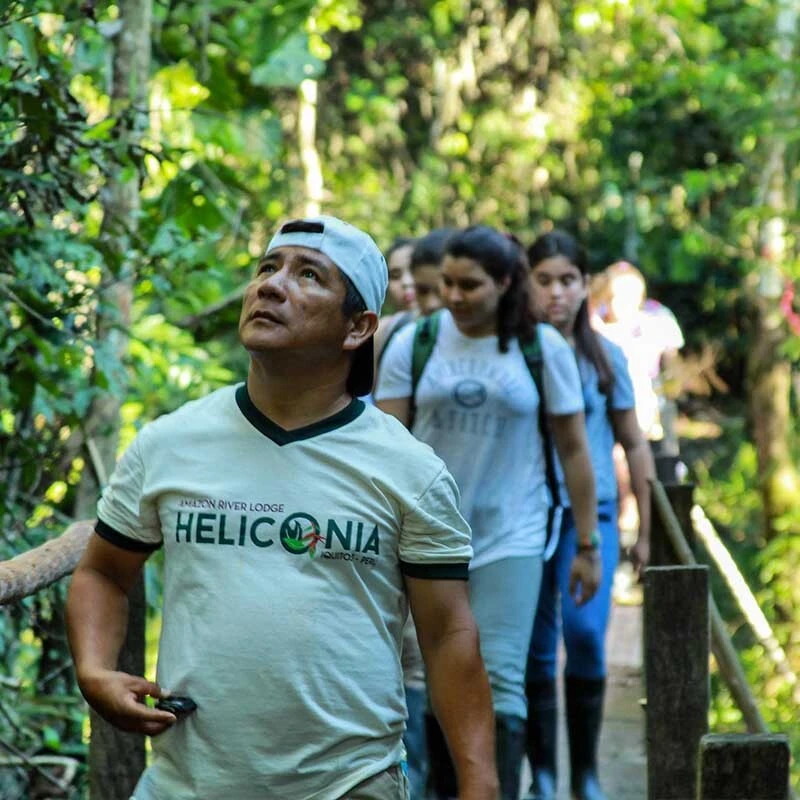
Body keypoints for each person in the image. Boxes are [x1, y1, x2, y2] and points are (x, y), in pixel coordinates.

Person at [65, 215, 500, 800]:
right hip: (185, 784)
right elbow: (102, 572)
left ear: (358, 327)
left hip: (349, 784)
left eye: (309, 275)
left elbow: (449, 634)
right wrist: (94, 671)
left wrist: (480, 784)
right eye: (267, 268)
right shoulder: (170, 443)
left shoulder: (409, 469)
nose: (271, 285)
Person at [375, 224, 601, 800]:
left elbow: (574, 449)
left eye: (469, 285)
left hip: (514, 535)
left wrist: (587, 544)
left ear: (504, 283)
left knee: (500, 677)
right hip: (428, 536)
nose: (453, 295)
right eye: (446, 282)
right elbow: (388, 443)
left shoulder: (542, 348)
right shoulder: (416, 342)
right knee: (430, 674)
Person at [525, 231, 655, 800]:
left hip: (592, 518)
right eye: (544, 280)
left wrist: (645, 530)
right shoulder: (515, 355)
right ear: (526, 284)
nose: (556, 293)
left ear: (585, 286)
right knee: (531, 647)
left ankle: (586, 773)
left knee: (584, 637)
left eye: (567, 280)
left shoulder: (607, 357)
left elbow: (634, 441)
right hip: (527, 518)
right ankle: (544, 775)